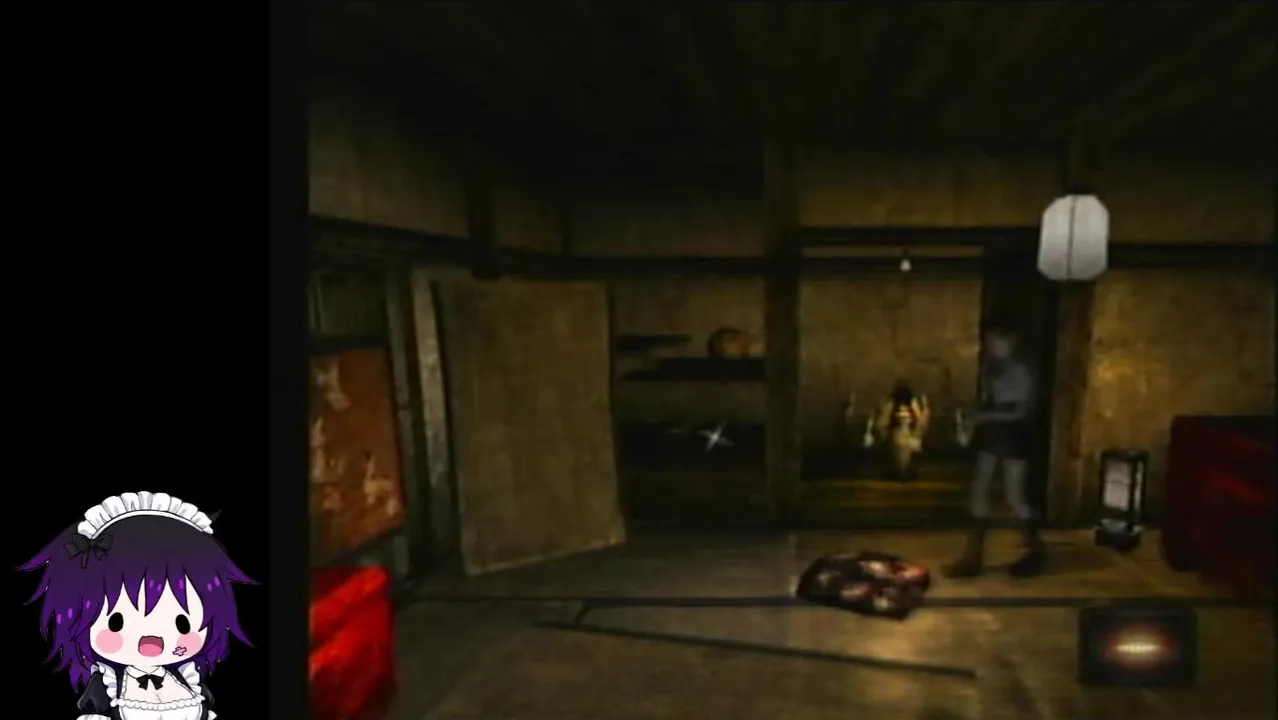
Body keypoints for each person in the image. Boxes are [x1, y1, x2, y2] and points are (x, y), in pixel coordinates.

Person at [19, 491, 254, 719]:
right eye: (117, 622)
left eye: (182, 624)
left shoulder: (188, 679)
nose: (151, 641)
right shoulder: (106, 684)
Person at [943, 322, 1045, 578]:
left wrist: (982, 417)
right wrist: (974, 414)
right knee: (978, 492)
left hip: (1013, 435)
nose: (992, 346)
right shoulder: (992, 367)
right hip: (992, 434)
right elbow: (990, 401)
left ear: (1011, 342)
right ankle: (973, 557)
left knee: (1014, 496)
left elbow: (1020, 411)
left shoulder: (1021, 371)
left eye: (997, 341)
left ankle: (1035, 552)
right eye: (990, 341)